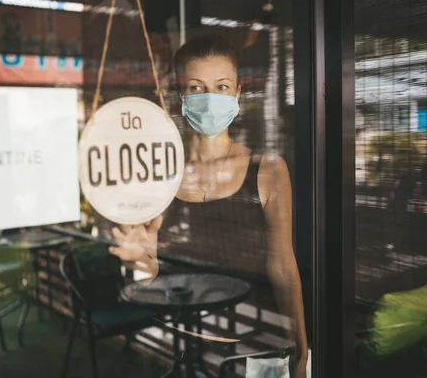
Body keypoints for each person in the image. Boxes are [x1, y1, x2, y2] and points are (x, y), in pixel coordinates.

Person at [108, 34, 308, 377]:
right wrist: (141, 259)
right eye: (197, 88)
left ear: (238, 93)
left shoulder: (268, 171)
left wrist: (301, 344)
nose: (211, 99)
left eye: (223, 86)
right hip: (183, 339)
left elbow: (283, 265)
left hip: (255, 340)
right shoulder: (159, 176)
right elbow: (154, 274)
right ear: (180, 93)